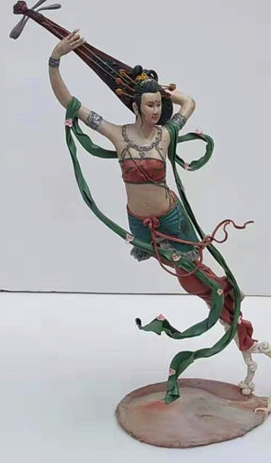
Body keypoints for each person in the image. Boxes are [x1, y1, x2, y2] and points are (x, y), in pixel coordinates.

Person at [49, 29, 255, 350]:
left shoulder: (166, 134)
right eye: (150, 104)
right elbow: (70, 102)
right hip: (139, 224)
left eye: (158, 104)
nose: (156, 110)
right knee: (188, 275)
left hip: (171, 219)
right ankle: (225, 302)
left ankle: (226, 307)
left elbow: (189, 102)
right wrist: (55, 59)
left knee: (189, 276)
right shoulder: (116, 134)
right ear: (136, 106)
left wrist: (164, 90)